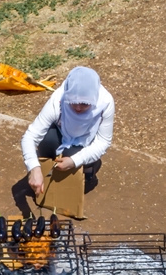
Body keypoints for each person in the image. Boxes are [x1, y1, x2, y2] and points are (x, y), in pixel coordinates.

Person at [20, 66, 114, 197]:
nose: (78, 107)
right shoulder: (59, 99)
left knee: (73, 160)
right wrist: (34, 168)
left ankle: (89, 169)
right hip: (62, 133)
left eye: (84, 103)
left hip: (85, 140)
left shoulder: (105, 102)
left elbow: (103, 141)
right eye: (73, 102)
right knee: (46, 140)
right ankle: (47, 170)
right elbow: (30, 136)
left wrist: (74, 161)